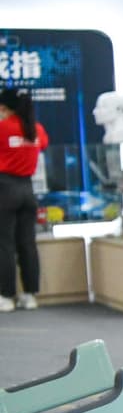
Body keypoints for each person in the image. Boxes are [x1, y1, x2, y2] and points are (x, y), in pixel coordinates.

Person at [0, 87, 47, 313]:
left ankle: (6, 296)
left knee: (4, 244)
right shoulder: (36, 129)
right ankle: (29, 295)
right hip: (28, 190)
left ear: (6, 108)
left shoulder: (3, 127)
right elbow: (43, 144)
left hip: (5, 189)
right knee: (27, 244)